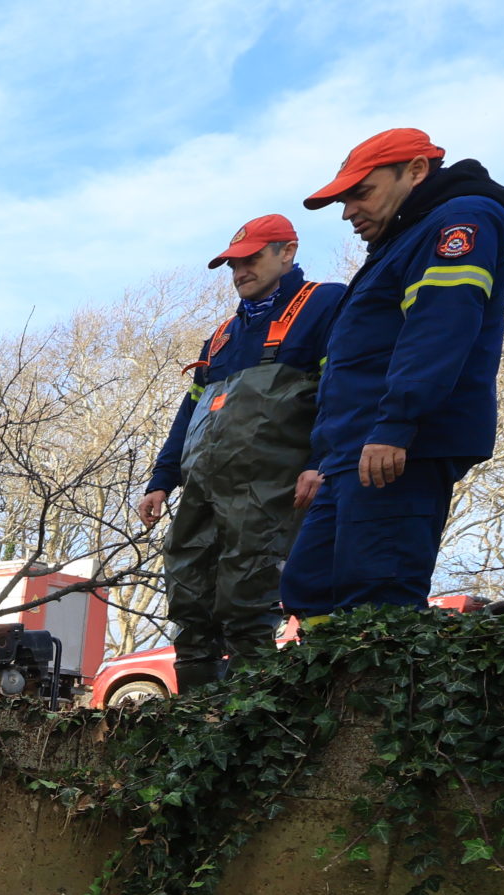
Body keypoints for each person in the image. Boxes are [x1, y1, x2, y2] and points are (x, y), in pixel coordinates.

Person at [280, 129, 504, 613]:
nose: (348, 212)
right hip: (355, 447)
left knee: (376, 595)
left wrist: (397, 423)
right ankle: (341, 683)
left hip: (400, 445)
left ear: (414, 171)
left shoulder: (460, 220)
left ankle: (383, 683)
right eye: (344, 200)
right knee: (311, 587)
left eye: (361, 193)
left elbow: (440, 325)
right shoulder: (403, 238)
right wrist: (322, 457)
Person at [140, 214, 345, 691]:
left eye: (251, 259)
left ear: (287, 251)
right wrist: (161, 479)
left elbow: (341, 389)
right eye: (233, 264)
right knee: (187, 591)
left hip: (270, 485)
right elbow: (188, 415)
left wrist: (322, 460)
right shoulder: (222, 336)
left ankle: (253, 716)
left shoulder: (324, 303)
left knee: (249, 594)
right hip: (203, 486)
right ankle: (194, 712)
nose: (240, 272)